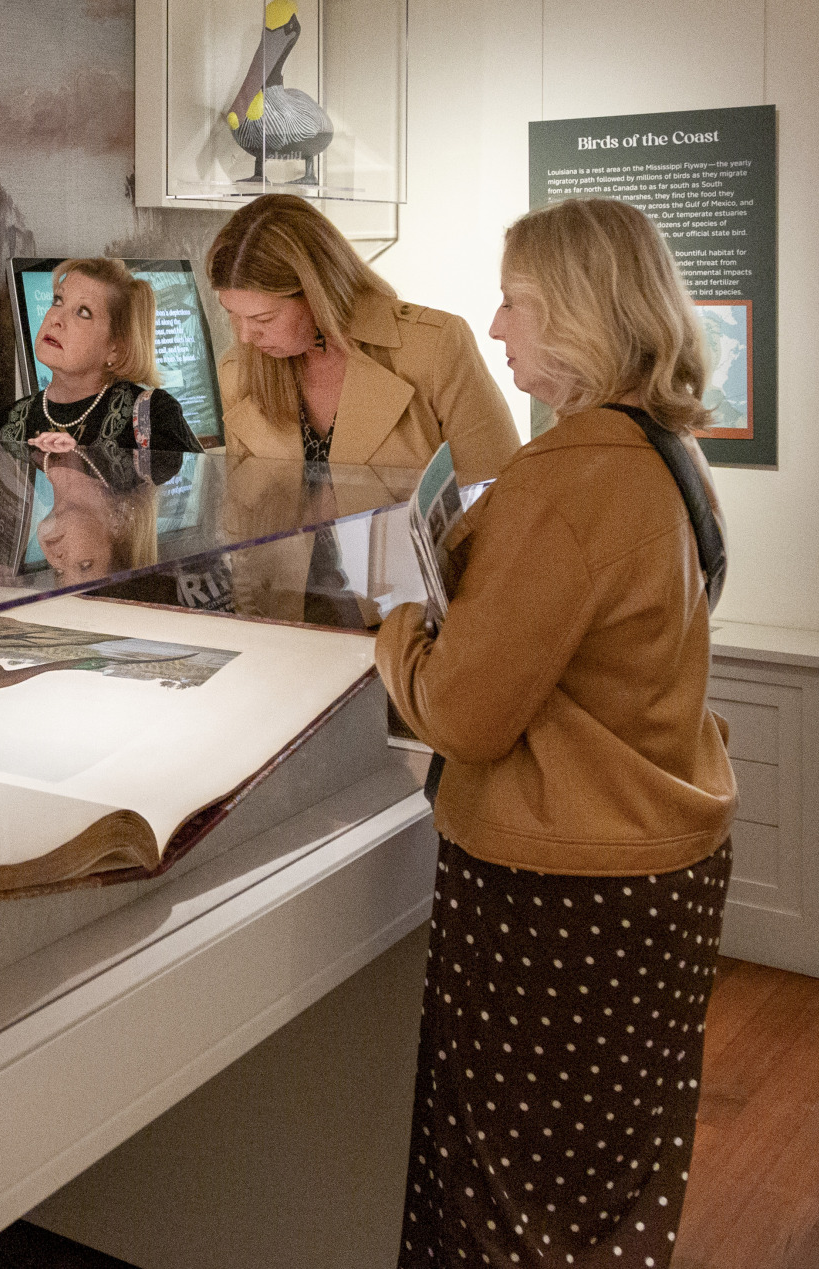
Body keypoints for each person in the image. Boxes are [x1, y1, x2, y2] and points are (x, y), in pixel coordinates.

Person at [375, 197, 737, 1269]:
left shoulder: (568, 477)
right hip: (658, 866)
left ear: (578, 312)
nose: (494, 330)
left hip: (560, 886)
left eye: (516, 304)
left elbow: (463, 714)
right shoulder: (660, 449)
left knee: (512, 1193)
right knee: (609, 1182)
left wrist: (396, 628)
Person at [206, 193, 519, 482]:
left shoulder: (435, 347)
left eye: (263, 318)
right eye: (233, 315)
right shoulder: (238, 371)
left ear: (318, 293)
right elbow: (244, 517)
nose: (246, 336)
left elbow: (498, 492)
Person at [0, 257, 202, 454]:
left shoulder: (155, 414)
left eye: (83, 312)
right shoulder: (9, 422)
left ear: (116, 347)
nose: (56, 318)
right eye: (58, 301)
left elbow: (204, 488)